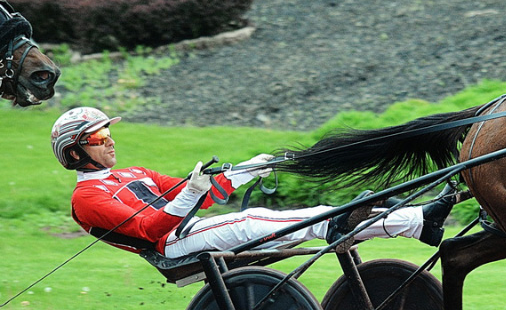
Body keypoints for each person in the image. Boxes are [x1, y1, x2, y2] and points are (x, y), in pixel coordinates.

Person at [51, 107, 454, 258]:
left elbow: (199, 194)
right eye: (99, 139)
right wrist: (191, 193)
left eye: (109, 135)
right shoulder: (86, 200)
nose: (110, 142)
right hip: (171, 244)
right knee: (255, 221)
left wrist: (249, 167)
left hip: (192, 229)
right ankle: (402, 223)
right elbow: (149, 229)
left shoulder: (133, 174)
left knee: (300, 214)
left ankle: (418, 221)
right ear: (75, 154)